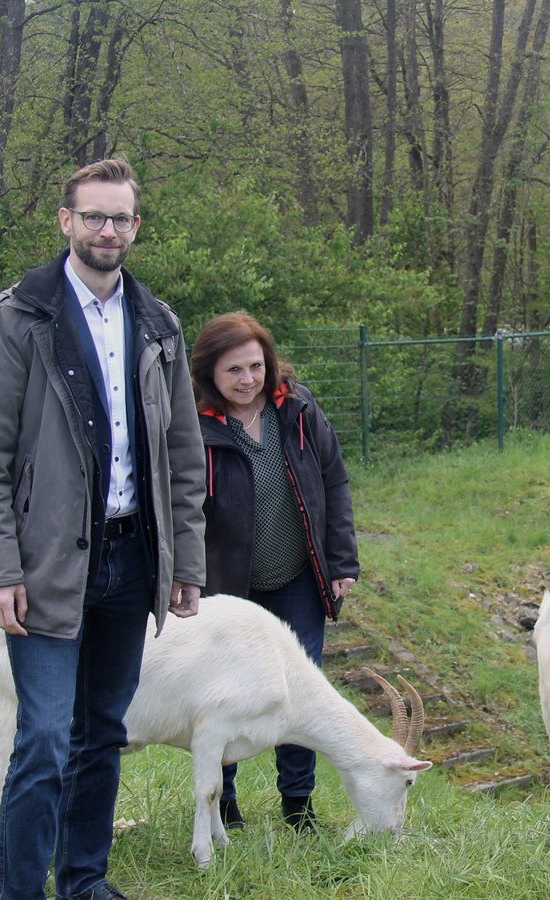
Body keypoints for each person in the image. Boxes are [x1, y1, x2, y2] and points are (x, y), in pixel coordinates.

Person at [0, 158, 207, 900]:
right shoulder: (19, 318)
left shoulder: (158, 324)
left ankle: (85, 882)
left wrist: (182, 558)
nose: (107, 230)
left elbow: (183, 456)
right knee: (42, 741)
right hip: (45, 571)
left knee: (103, 733)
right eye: (92, 216)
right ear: (65, 222)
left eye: (120, 218)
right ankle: (20, 891)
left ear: (136, 226)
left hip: (132, 561)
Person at [190, 311, 359, 833]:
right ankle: (226, 804)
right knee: (227, 694)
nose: (247, 380)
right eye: (233, 370)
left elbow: (333, 482)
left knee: (298, 691)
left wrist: (340, 562)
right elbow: (182, 508)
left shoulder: (299, 408)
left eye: (254, 366)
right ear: (211, 377)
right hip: (230, 589)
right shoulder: (194, 426)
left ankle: (298, 804)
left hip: (297, 579)